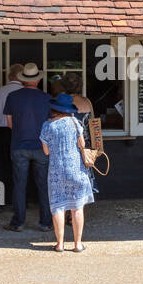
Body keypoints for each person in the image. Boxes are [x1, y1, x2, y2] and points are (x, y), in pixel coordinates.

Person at [39, 93, 95, 252]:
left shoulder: (47, 126)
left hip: (56, 171)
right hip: (76, 169)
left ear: (54, 109)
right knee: (77, 207)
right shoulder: (75, 123)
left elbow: (46, 152)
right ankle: (77, 244)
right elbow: (82, 144)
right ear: (68, 110)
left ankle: (60, 244)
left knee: (58, 206)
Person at [3, 63, 52, 233]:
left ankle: (18, 222)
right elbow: (50, 125)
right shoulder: (47, 98)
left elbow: (9, 124)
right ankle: (46, 222)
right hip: (41, 146)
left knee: (19, 185)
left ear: (23, 79)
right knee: (43, 185)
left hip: (19, 146)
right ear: (38, 79)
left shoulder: (12, 97)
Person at [0, 63, 24, 213]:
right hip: (21, 134)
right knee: (21, 167)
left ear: (9, 76)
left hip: (2, 133)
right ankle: (20, 203)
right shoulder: (26, 93)